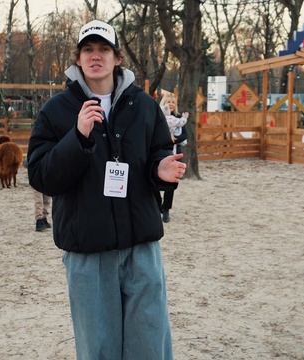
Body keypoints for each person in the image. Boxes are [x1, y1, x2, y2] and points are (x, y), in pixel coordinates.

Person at [26, 19, 185, 359]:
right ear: (78, 58)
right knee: (99, 348)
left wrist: (161, 169)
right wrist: (78, 137)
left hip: (141, 247)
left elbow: (157, 152)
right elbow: (41, 176)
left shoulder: (143, 105)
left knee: (149, 343)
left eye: (103, 49)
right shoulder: (56, 111)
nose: (95, 56)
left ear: (116, 58)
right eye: (88, 50)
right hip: (88, 251)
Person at [158, 93, 189, 223]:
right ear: (163, 103)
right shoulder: (158, 117)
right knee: (156, 182)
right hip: (159, 153)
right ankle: (157, 206)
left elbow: (185, 135)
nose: (171, 104)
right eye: (168, 101)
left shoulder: (178, 118)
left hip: (174, 153)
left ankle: (166, 210)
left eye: (173, 102)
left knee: (172, 183)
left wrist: (174, 140)